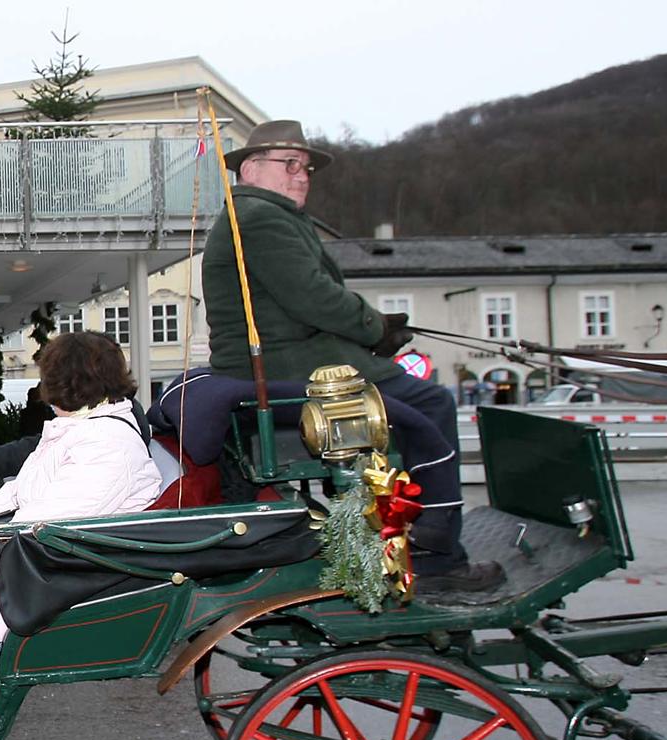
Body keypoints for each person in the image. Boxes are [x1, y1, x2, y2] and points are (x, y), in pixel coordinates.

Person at [201, 119, 502, 594]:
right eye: (289, 164)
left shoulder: (258, 215)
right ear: (251, 169)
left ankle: (395, 529)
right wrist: (375, 327)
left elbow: (306, 301)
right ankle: (436, 549)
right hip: (290, 369)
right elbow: (314, 299)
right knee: (432, 403)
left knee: (409, 402)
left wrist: (373, 332)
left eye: (306, 168)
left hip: (290, 363)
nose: (301, 176)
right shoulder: (260, 217)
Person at [0, 332, 163, 664]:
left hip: (79, 563)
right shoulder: (86, 426)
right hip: (63, 549)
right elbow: (23, 489)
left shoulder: (107, 441)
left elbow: (51, 515)